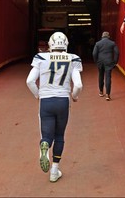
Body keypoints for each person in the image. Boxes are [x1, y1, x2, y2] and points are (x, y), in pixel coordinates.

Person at [26, 32, 83, 183]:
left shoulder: (40, 57)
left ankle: (44, 143)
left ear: (51, 44)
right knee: (59, 136)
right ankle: (54, 170)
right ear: (66, 44)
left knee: (47, 134)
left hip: (46, 100)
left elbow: (30, 81)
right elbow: (78, 84)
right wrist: (75, 96)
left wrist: (38, 95)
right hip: (63, 100)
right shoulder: (73, 58)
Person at [92, 31, 119, 101]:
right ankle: (108, 94)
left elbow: (94, 53)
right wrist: (115, 62)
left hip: (100, 62)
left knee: (101, 75)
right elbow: (117, 52)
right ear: (108, 36)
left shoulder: (98, 43)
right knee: (108, 77)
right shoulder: (112, 43)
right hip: (109, 61)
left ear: (102, 36)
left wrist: (96, 61)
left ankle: (101, 92)